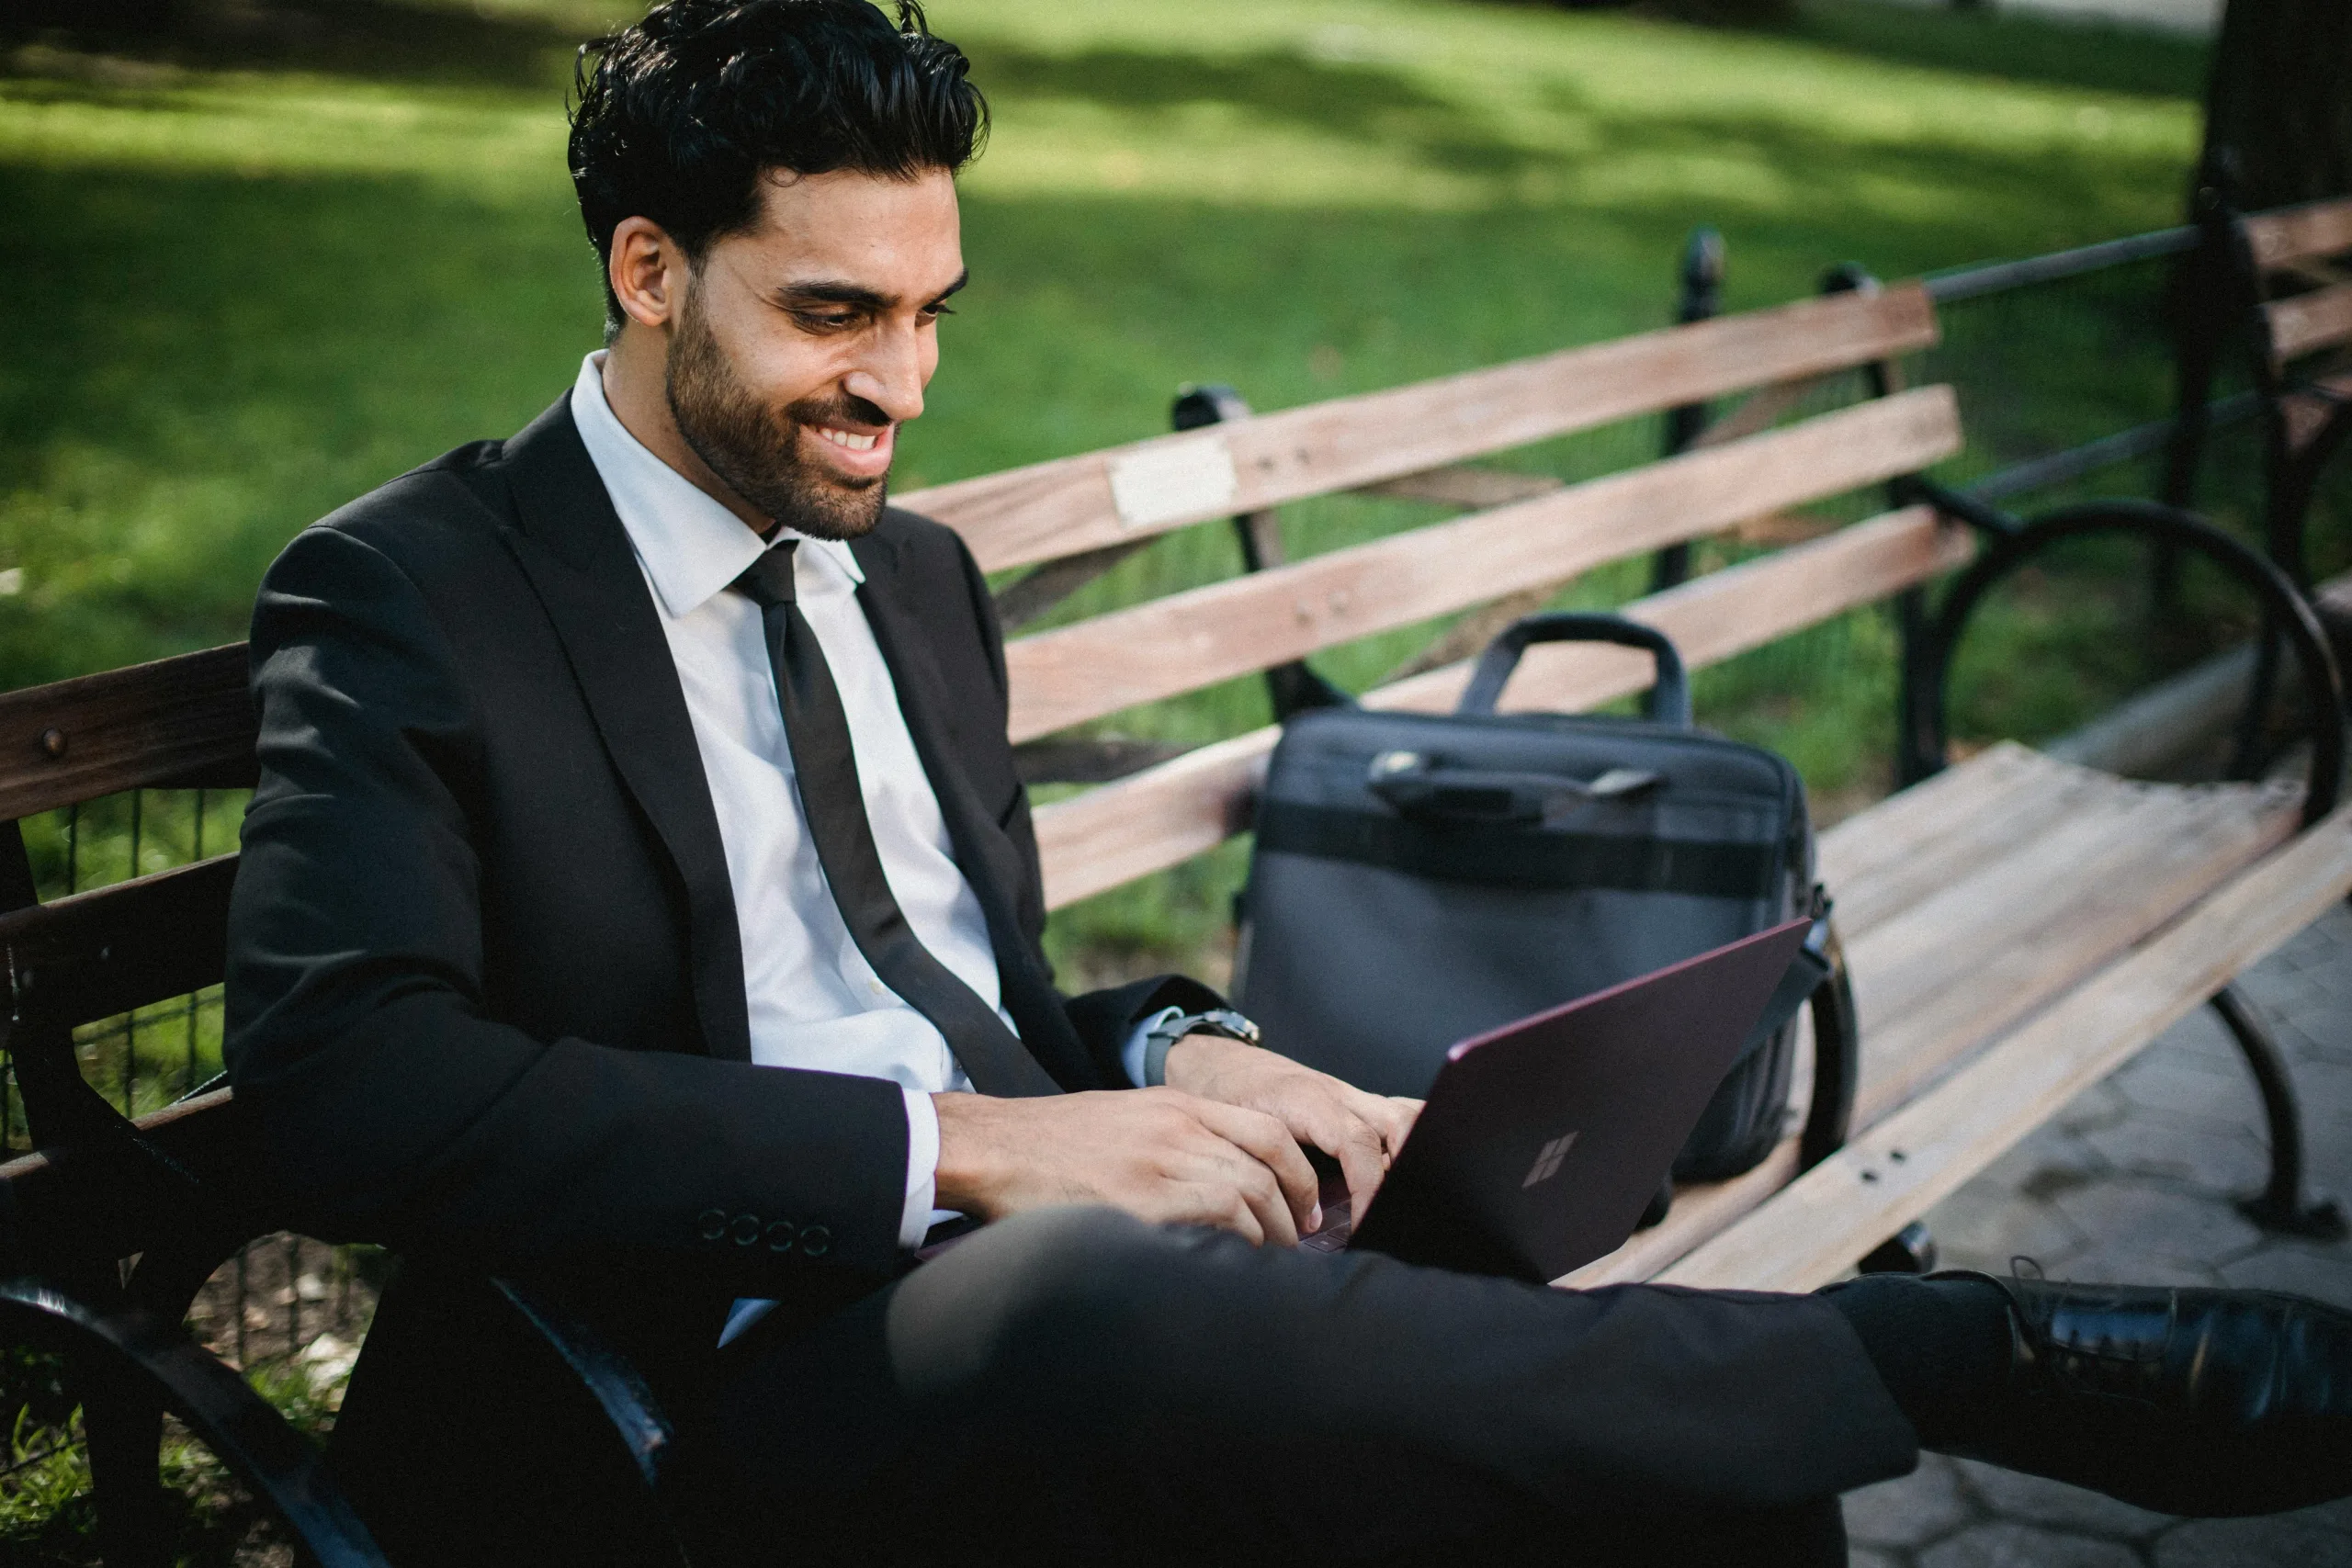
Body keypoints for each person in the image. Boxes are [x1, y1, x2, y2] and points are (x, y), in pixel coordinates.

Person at [220, 3, 2352, 1563]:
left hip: (1050, 1296)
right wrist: (963, 1158)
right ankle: (1958, 1358)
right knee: (1106, 1302)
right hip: (682, 1392)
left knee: (1670, 1480)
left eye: (935, 312)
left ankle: (1856, 1386)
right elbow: (348, 1084)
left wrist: (1191, 1054)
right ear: (647, 270)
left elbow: (973, 995)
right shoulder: (419, 592)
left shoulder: (921, 583)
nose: (900, 384)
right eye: (835, 314)